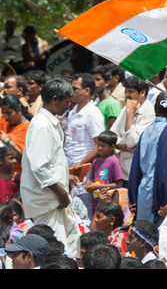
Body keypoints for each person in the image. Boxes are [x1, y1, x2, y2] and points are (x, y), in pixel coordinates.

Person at [20, 77, 80, 255]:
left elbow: (50, 162)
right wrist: (61, 192)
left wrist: (65, 177)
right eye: (67, 101)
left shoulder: (49, 122)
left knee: (65, 246)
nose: (69, 106)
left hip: (52, 199)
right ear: (55, 99)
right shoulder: (42, 125)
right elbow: (39, 167)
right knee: (53, 251)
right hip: (47, 200)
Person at [128, 91, 167, 227]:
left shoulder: (147, 130)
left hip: (144, 193)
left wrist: (133, 197)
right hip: (161, 197)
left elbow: (135, 168)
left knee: (145, 237)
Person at [110, 76, 155, 187]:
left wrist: (130, 113)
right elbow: (112, 137)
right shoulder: (125, 109)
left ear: (142, 92)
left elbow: (132, 141)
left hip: (138, 174)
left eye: (131, 91)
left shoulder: (150, 112)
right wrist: (125, 147)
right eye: (126, 91)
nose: (126, 95)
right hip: (121, 172)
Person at [64, 72, 104, 167]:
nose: (71, 92)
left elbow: (100, 144)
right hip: (69, 163)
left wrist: (81, 164)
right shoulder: (73, 111)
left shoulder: (92, 113)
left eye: (75, 89)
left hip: (83, 166)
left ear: (86, 91)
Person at [84, 130, 123, 214]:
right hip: (96, 202)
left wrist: (98, 186)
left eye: (103, 146)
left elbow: (119, 184)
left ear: (112, 147)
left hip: (108, 204)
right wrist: (88, 186)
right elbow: (92, 180)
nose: (99, 148)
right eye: (98, 145)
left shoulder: (114, 162)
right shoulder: (95, 161)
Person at [0, 95, 32, 173]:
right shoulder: (5, 122)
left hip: (18, 174)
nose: (6, 117)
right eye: (4, 113)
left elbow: (24, 157)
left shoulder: (28, 128)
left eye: (9, 113)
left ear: (19, 110)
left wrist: (7, 140)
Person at [90, 65, 121, 129]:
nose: (94, 83)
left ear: (107, 82)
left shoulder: (112, 104)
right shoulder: (96, 103)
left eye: (98, 79)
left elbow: (112, 134)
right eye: (92, 80)